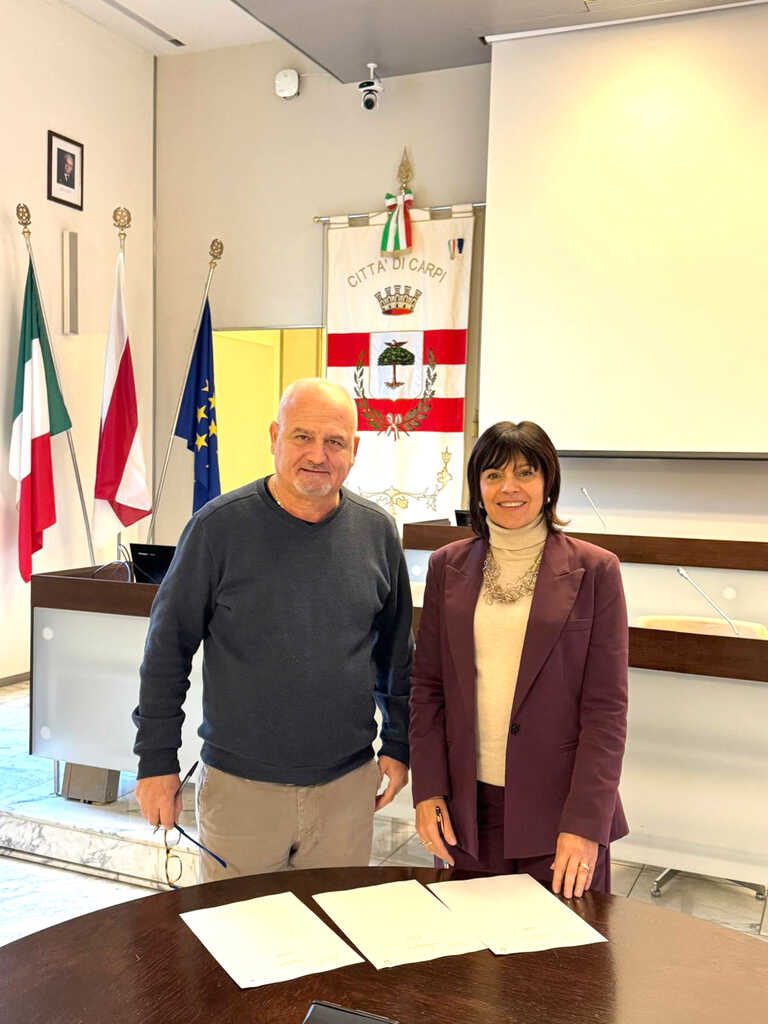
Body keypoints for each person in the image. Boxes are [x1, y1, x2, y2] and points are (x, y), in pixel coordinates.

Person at [133, 378, 412, 881]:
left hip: (346, 789)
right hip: (241, 790)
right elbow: (166, 652)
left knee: (335, 925)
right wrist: (156, 761)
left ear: (354, 450)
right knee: (239, 927)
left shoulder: (377, 532)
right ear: (274, 437)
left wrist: (397, 743)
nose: (318, 455)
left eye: (335, 442)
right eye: (303, 436)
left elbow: (395, 653)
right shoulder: (218, 529)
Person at [409, 420, 628, 898]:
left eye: (525, 473)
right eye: (493, 475)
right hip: (465, 810)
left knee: (560, 946)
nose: (509, 487)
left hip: (560, 812)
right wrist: (427, 789)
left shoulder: (596, 570)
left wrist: (585, 823)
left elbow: (606, 711)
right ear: (478, 487)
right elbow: (428, 688)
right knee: (467, 942)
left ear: (548, 482)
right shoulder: (447, 566)